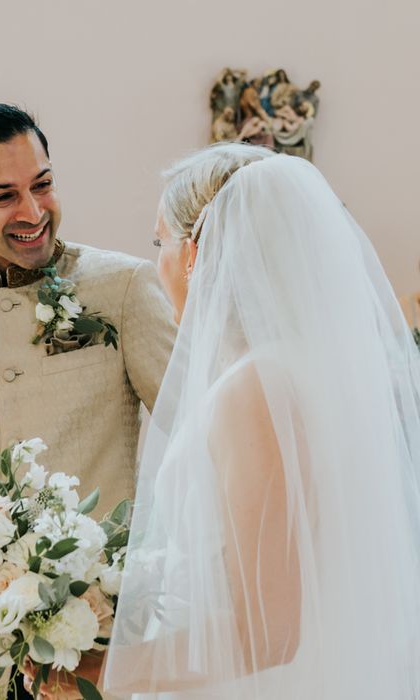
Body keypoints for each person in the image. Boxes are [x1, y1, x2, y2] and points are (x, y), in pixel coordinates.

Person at [100, 143, 420, 699]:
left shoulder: (254, 391)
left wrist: (102, 671)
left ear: (195, 253)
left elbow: (269, 635)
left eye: (161, 243)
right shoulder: (299, 370)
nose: (159, 262)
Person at [0, 103, 176, 700]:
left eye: (41, 184)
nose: (33, 211)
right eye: (3, 197)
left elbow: (196, 429)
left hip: (104, 634)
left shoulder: (121, 287)